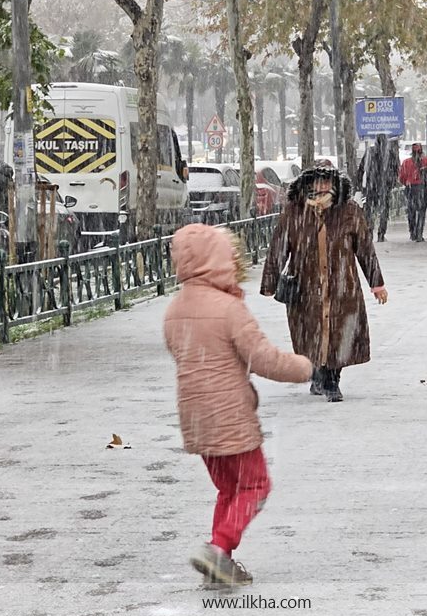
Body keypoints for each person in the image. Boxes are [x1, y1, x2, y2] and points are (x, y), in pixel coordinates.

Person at [165, 223, 313, 587]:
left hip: (194, 417)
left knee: (229, 489)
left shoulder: (175, 309)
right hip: (230, 415)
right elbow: (263, 359)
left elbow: (178, 351)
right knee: (255, 486)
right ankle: (218, 547)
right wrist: (304, 367)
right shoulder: (229, 309)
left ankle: (220, 566)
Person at [260, 164, 387, 402]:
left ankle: (332, 380)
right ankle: (318, 373)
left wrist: (377, 284)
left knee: (340, 334)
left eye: (327, 181)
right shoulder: (295, 212)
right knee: (311, 334)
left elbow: (366, 251)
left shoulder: (349, 211)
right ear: (308, 183)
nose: (322, 186)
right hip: (305, 288)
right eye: (318, 181)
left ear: (335, 184)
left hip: (342, 288)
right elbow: (278, 247)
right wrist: (270, 281)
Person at [356, 134, 397, 242]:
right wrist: (391, 183)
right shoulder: (389, 154)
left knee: (370, 210)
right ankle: (381, 233)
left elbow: (361, 169)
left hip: (371, 186)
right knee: (383, 211)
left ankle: (369, 231)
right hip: (383, 187)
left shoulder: (370, 152)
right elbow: (395, 170)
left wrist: (360, 185)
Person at [397, 142, 427, 242]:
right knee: (421, 212)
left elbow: (401, 178)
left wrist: (407, 182)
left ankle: (413, 232)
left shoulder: (406, 162)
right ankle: (419, 233)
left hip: (410, 188)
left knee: (411, 211)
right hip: (423, 188)